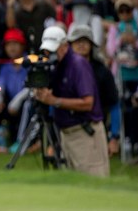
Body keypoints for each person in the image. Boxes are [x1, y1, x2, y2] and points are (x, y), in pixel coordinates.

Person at [34, 26, 110, 177]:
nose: (51, 54)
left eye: (54, 50)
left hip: (85, 133)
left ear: (64, 46)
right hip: (66, 134)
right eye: (48, 51)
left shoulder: (78, 64)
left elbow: (88, 103)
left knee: (93, 180)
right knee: (75, 182)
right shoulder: (56, 66)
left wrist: (54, 101)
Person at [67, 24, 121, 157]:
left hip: (95, 126)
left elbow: (114, 104)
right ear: (70, 45)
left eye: (85, 41)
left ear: (91, 45)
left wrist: (114, 137)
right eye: (77, 41)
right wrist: (52, 141)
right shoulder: (63, 70)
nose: (81, 45)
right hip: (68, 128)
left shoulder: (102, 72)